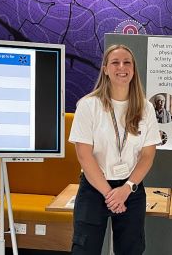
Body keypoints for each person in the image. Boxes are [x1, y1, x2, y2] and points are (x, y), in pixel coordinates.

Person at [69, 44, 161, 255]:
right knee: (84, 249)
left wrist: (126, 188)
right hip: (94, 188)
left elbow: (148, 155)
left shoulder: (145, 108)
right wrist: (110, 194)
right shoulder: (88, 105)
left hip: (131, 188)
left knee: (131, 249)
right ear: (105, 69)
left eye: (127, 62)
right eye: (115, 62)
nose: (122, 67)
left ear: (133, 69)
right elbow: (84, 155)